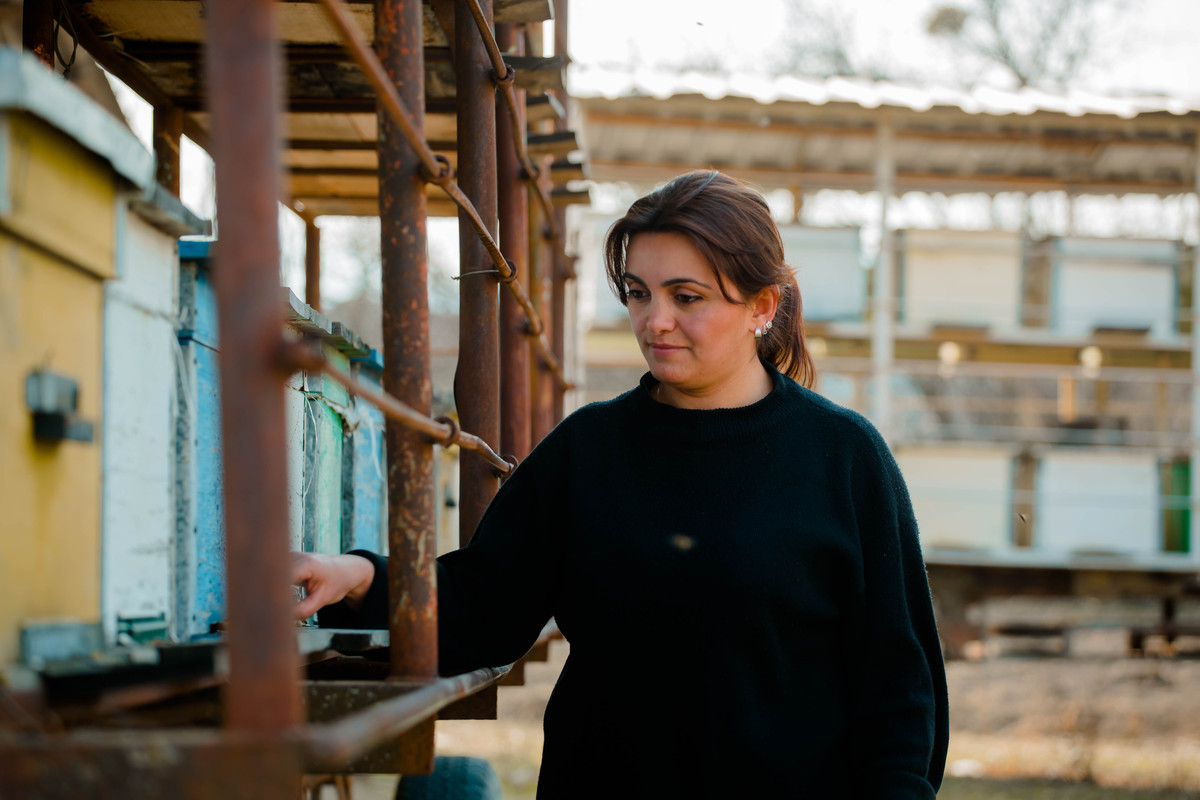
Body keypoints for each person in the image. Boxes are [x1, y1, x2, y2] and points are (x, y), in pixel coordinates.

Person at [292, 171, 949, 798]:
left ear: (762, 306)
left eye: (686, 297)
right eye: (638, 293)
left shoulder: (843, 457)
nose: (654, 320)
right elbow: (483, 608)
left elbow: (900, 685)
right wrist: (362, 578)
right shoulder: (588, 450)